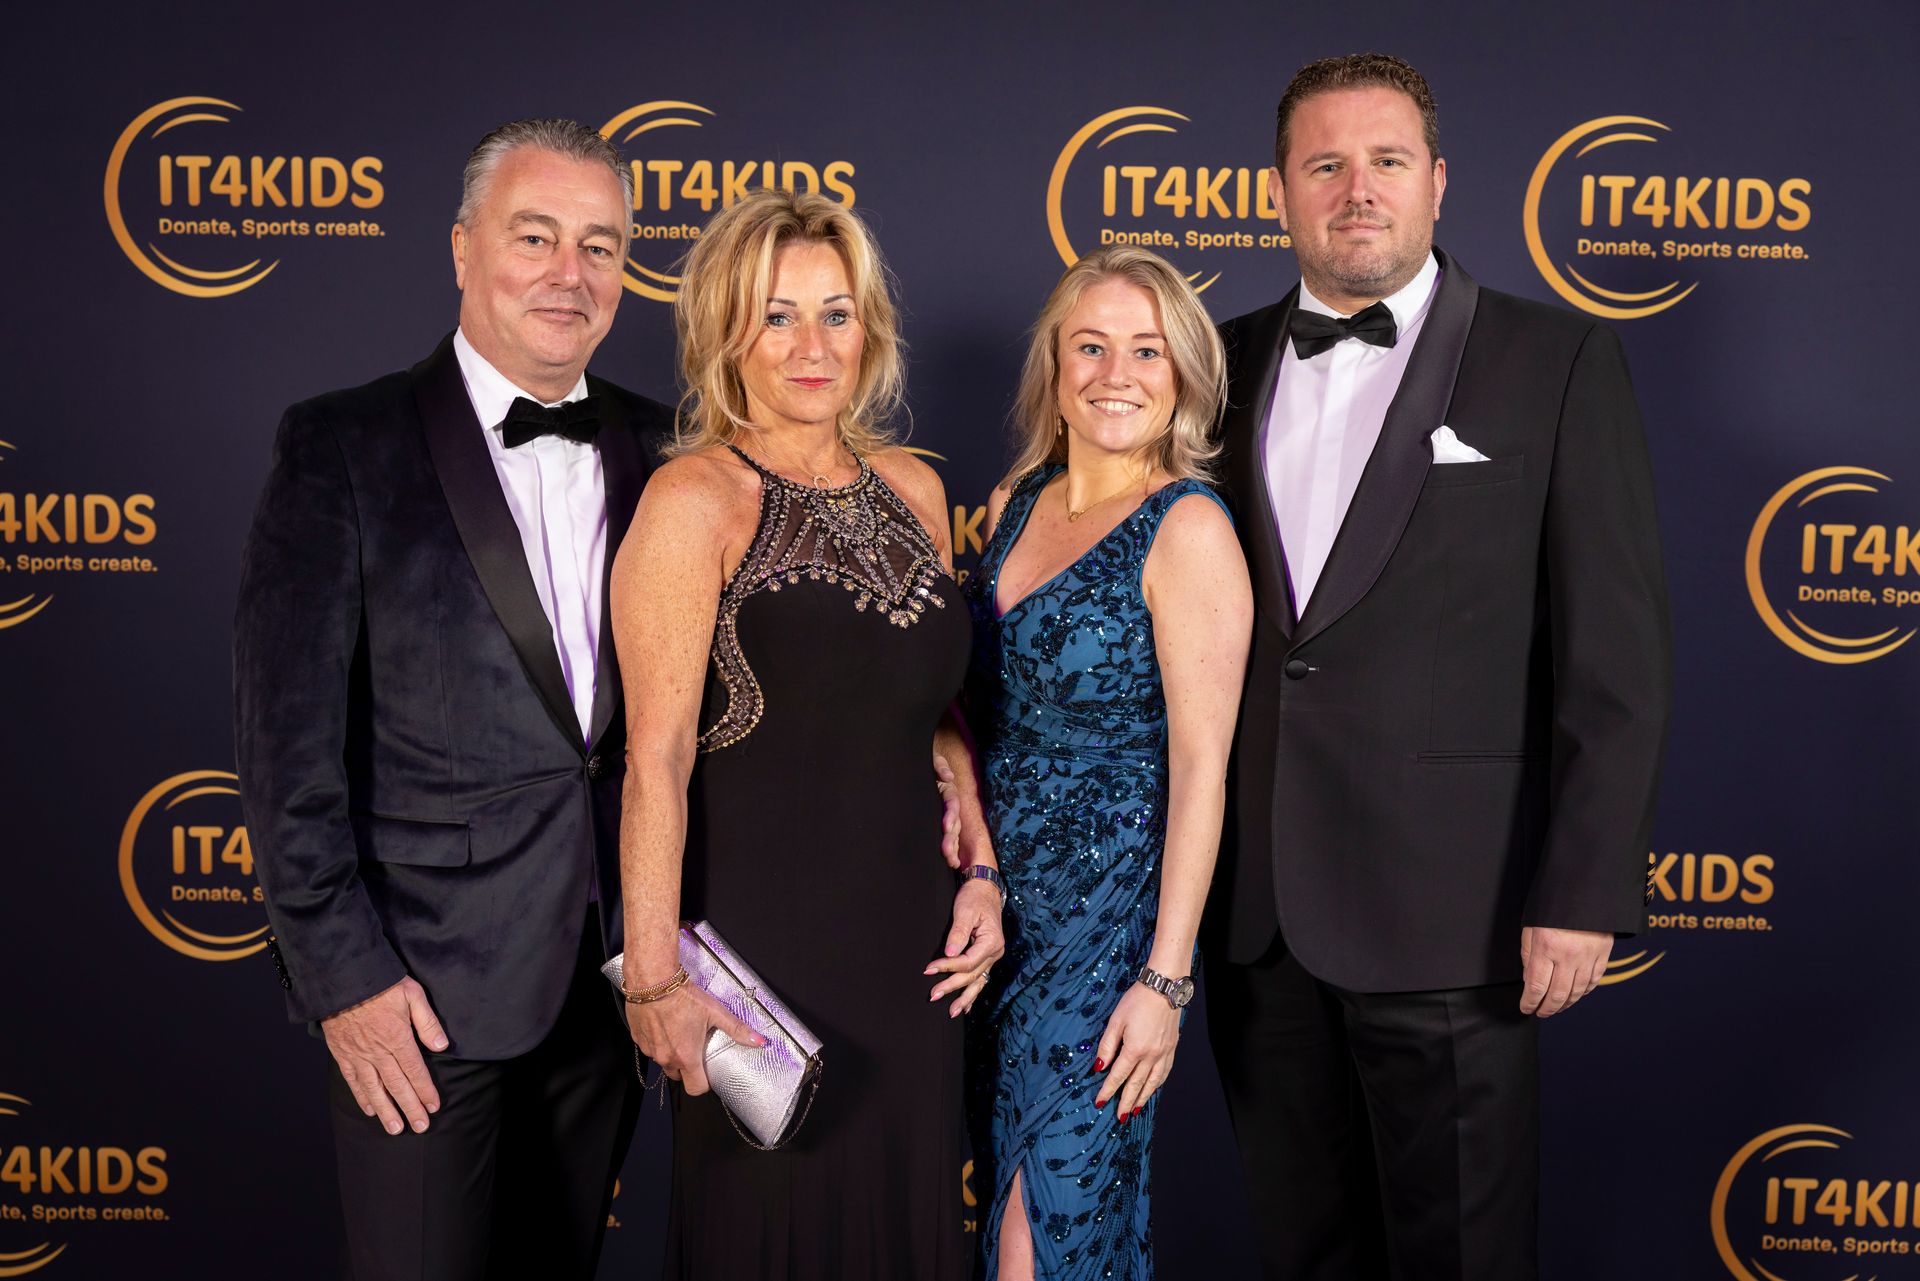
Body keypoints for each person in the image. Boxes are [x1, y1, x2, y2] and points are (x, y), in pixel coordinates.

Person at [1205, 54, 1673, 1280]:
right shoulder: (1211, 366)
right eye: (1325, 164)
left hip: (1457, 916)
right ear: (1278, 191)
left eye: (1387, 161)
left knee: (1462, 1256)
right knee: (1303, 1251)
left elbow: (1616, 663)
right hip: (1255, 919)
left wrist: (1582, 890)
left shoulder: (1556, 358)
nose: (1357, 190)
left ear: (1439, 181)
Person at [233, 118, 671, 1280]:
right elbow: (285, 754)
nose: (570, 274)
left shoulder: (671, 448)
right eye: (535, 237)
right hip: (419, 993)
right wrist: (346, 981)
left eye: (600, 246)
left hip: (609, 983)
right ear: (464, 247)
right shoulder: (341, 444)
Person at [610, 187, 1003, 1281]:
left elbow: (921, 700)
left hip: (913, 949)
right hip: (762, 965)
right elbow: (657, 758)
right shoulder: (693, 499)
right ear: (725, 330)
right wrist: (653, 979)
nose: (812, 346)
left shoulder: (915, 487)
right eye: (777, 316)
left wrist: (981, 860)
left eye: (837, 314)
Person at [960, 245, 1253, 1281]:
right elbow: (968, 714)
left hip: (1104, 931)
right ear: (1055, 368)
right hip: (990, 919)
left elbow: (1204, 770)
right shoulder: (1014, 500)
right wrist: (977, 865)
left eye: (1146, 350)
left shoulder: (1188, 528)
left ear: (1182, 377)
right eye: (1090, 346)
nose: (1115, 373)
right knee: (995, 1197)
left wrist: (1164, 980)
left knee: (1041, 1229)